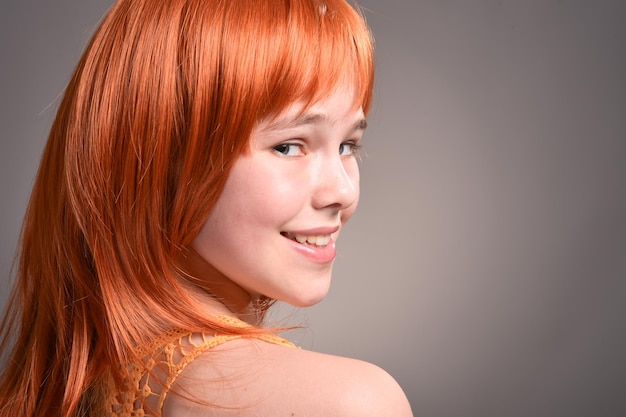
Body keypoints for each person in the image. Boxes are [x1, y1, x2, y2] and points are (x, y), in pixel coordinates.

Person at [0, 0, 413, 416]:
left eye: (347, 146)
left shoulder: (87, 379)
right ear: (165, 157)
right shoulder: (352, 403)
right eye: (288, 146)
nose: (342, 192)